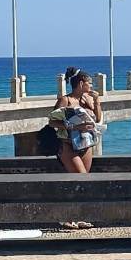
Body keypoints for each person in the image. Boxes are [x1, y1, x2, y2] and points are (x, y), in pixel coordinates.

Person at [49, 67, 102, 229]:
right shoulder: (66, 101)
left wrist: (97, 102)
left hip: (86, 144)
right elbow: (52, 122)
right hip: (68, 144)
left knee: (84, 181)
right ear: (80, 83)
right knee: (78, 177)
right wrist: (73, 127)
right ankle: (65, 217)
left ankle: (79, 217)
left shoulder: (87, 100)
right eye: (89, 83)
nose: (91, 86)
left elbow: (98, 118)